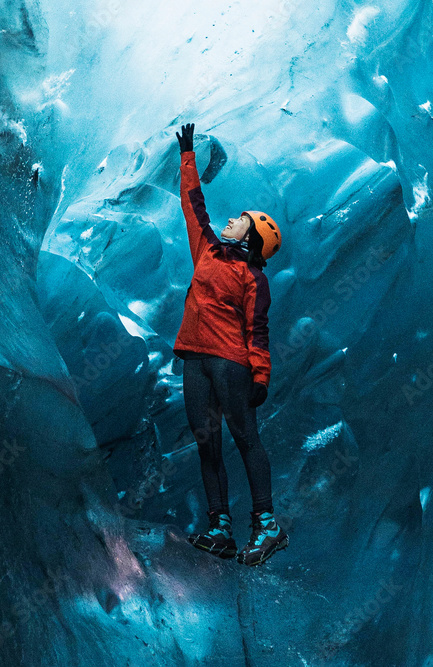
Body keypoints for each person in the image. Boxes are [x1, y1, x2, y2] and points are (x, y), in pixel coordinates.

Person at [172, 122, 288, 566]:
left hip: (230, 364)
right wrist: (187, 156)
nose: (231, 219)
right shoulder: (207, 249)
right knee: (207, 443)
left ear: (252, 236)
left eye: (241, 219)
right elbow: (192, 205)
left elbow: (258, 331)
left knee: (245, 438)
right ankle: (220, 527)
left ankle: (267, 525)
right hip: (195, 359)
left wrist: (260, 375)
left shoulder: (252, 277)